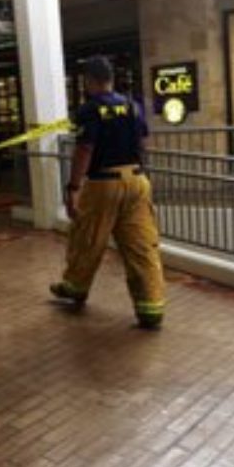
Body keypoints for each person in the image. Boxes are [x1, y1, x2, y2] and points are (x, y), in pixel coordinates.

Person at [49, 56, 166, 330]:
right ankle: (151, 308)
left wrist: (73, 188)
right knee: (141, 245)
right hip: (137, 179)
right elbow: (144, 142)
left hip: (103, 182)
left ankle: (75, 286)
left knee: (88, 237)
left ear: (89, 80)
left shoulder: (89, 110)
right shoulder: (132, 106)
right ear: (111, 78)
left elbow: (85, 149)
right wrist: (140, 175)